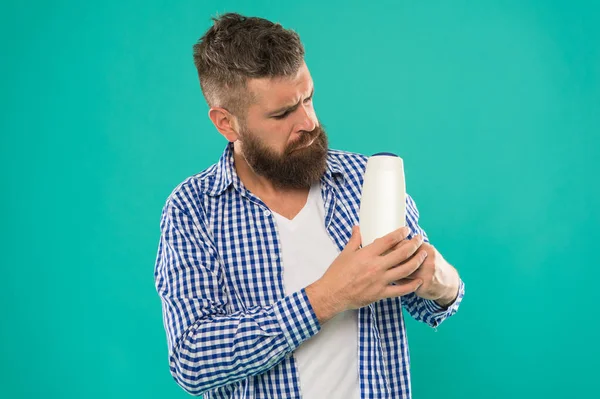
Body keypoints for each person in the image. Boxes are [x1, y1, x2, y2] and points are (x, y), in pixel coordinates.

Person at [154, 12, 465, 399]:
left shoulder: (364, 179)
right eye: (283, 113)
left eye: (308, 97)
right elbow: (192, 361)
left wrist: (442, 281)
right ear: (226, 123)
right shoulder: (192, 210)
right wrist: (329, 295)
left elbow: (431, 303)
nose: (309, 122)